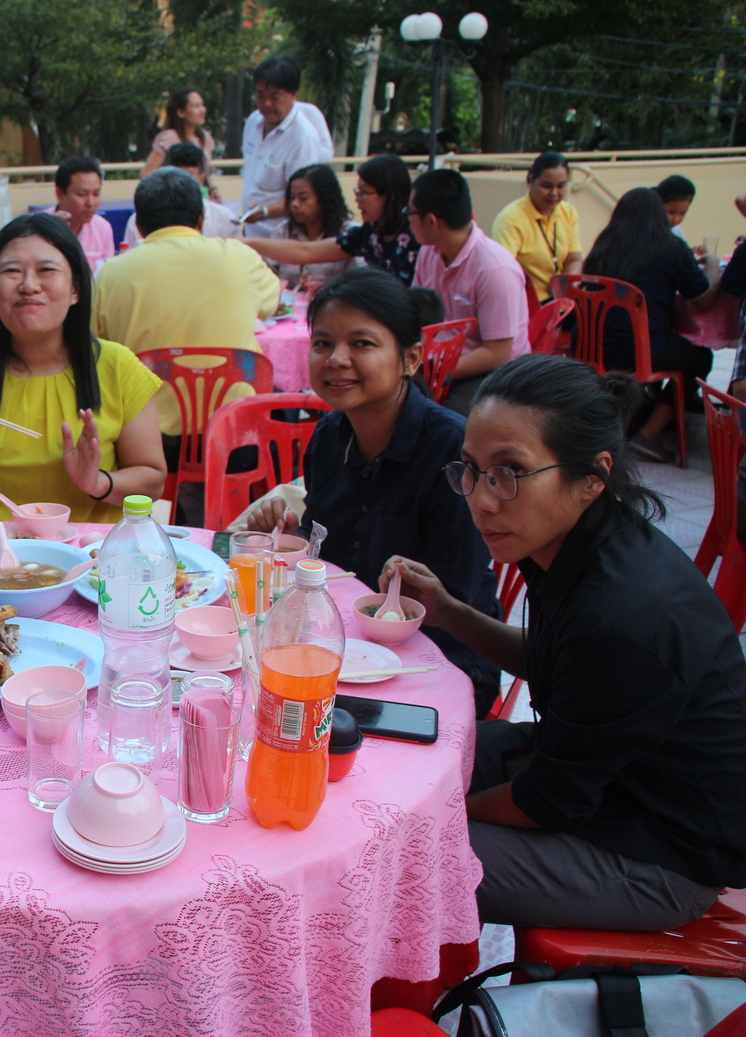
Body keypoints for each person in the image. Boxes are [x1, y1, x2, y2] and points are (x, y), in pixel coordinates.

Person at [383, 353, 746, 930]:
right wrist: (448, 612)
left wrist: (433, 815)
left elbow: (546, 801)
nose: (481, 499)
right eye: (471, 469)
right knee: (389, 754)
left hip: (658, 854)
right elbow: (554, 660)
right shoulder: (574, 541)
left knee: (387, 856)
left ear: (591, 478)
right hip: (595, 780)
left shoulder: (623, 611)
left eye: (510, 471)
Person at [241, 268, 501, 714]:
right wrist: (289, 539)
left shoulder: (454, 452)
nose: (336, 359)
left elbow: (453, 594)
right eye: (323, 343)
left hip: (439, 661)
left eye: (361, 343)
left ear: (411, 358)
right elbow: (324, 550)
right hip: (344, 649)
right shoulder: (328, 438)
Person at [0, 213, 166, 525]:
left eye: (46, 270)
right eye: (12, 271)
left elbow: (153, 482)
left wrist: (97, 482)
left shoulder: (118, 367)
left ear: (76, 289)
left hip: (88, 551)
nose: (29, 285)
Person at [95, 168, 280, 441]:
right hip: (237, 437)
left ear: (139, 226)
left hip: (149, 443)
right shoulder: (241, 258)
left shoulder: (110, 274)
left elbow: (94, 343)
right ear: (201, 219)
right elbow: (272, 304)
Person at [582, 187, 719, 464]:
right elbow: (703, 299)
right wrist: (713, 265)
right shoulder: (671, 247)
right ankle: (650, 434)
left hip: (592, 347)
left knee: (671, 347)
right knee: (700, 357)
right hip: (640, 351)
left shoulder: (604, 244)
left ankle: (644, 415)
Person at [409, 169, 530, 415]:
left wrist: (436, 371)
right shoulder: (429, 252)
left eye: (409, 213)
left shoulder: (495, 269)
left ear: (431, 221)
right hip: (437, 360)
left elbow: (497, 353)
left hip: (491, 372)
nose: (407, 220)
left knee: (447, 419)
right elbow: (414, 315)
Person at [242, 154, 420, 286]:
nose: (358, 200)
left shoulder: (417, 239)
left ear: (390, 195)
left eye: (364, 192)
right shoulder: (369, 235)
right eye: (357, 192)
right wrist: (247, 243)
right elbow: (305, 251)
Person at [237, 57, 333, 239]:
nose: (266, 104)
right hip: (251, 233)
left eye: (275, 97)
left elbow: (303, 197)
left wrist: (266, 212)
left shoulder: (302, 137)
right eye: (261, 96)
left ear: (293, 95)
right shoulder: (253, 121)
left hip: (282, 238)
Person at [491, 152, 584, 303]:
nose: (554, 193)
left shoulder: (568, 212)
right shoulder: (511, 218)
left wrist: (565, 286)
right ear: (530, 180)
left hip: (562, 300)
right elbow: (504, 274)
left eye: (561, 186)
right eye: (546, 186)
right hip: (528, 303)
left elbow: (574, 260)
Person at [121, 144, 239, 247]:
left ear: (201, 180)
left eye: (189, 178)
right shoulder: (141, 218)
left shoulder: (225, 218)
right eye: (174, 178)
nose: (180, 186)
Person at [265, 163, 356, 290]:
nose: (295, 204)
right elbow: (266, 272)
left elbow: (360, 281)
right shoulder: (284, 231)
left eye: (303, 198)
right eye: (292, 198)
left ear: (324, 199)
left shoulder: (349, 234)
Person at [51, 156, 114, 273]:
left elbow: (107, 274)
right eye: (82, 194)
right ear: (60, 194)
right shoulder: (38, 228)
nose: (91, 203)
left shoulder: (103, 228)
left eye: (96, 194)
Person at [139, 87, 216, 179]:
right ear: (181, 112)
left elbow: (204, 174)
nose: (202, 110)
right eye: (196, 106)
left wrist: (211, 187)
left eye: (202, 105)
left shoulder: (205, 138)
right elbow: (146, 174)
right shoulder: (170, 137)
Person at [655, 174, 696, 240]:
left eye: (682, 213)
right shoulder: (645, 232)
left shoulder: (677, 231)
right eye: (671, 212)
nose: (676, 219)